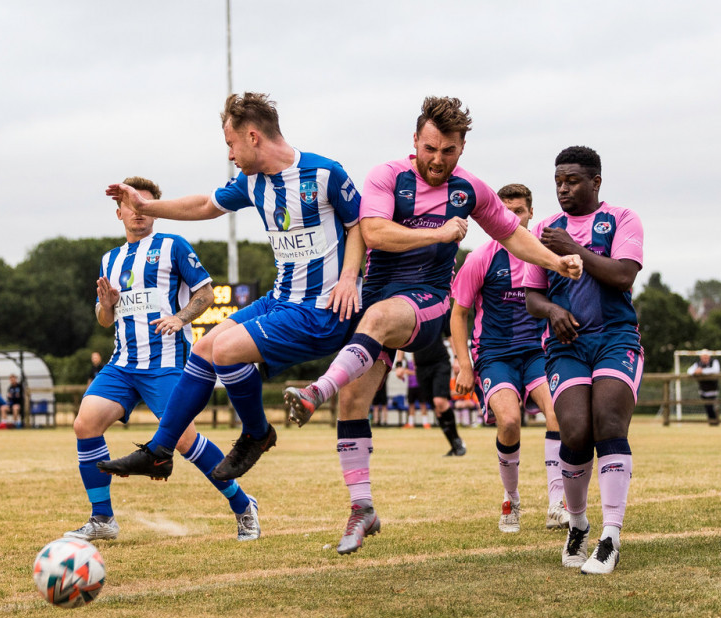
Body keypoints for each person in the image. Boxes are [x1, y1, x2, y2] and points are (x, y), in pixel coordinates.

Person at [284, 96, 582, 554]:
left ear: (461, 148)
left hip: (426, 301)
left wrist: (555, 262)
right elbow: (375, 231)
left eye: (448, 151)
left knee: (379, 320)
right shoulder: (387, 176)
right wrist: (440, 233)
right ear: (415, 143)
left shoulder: (470, 189)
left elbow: (514, 235)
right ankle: (362, 508)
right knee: (354, 400)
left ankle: (314, 390)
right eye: (429, 148)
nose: (437, 160)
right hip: (378, 304)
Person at [97, 92, 365, 486]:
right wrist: (146, 206)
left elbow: (360, 225)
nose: (229, 154)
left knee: (223, 349)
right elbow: (205, 205)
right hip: (280, 300)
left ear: (253, 136)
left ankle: (257, 434)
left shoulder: (325, 174)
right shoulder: (252, 182)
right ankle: (160, 452)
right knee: (206, 348)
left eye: (230, 144)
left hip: (321, 309)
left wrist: (348, 278)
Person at [67, 175, 262, 543]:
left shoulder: (173, 245)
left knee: (185, 441)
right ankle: (102, 518)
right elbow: (104, 318)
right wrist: (105, 307)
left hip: (167, 364)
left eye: (145, 203)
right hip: (122, 365)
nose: (137, 211)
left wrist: (180, 317)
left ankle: (243, 505)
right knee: (85, 424)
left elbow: (205, 293)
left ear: (154, 210)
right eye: (130, 204)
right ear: (119, 212)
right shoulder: (110, 259)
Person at [523, 146, 644, 575]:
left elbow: (622, 276)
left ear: (595, 182)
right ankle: (578, 525)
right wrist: (553, 312)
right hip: (567, 346)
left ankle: (610, 537)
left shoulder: (622, 219)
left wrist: (573, 247)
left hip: (615, 338)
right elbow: (532, 294)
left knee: (610, 422)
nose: (563, 188)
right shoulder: (544, 229)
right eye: (558, 181)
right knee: (574, 431)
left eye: (572, 180)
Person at [450, 183, 568, 534]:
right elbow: (459, 314)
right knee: (510, 422)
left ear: (530, 213)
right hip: (495, 355)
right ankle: (511, 498)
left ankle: (556, 503)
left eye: (518, 211)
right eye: (505, 212)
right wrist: (464, 365)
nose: (512, 218)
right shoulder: (481, 258)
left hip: (538, 353)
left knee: (558, 413)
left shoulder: (546, 256)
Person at [410, 326, 466, 456]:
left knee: (440, 401)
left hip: (439, 363)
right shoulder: (410, 309)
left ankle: (457, 440)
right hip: (421, 367)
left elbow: (451, 335)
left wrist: (457, 358)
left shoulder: (440, 308)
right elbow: (403, 339)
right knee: (437, 409)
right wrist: (400, 363)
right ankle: (454, 446)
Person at [688, 350, 720, 425]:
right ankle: (712, 421)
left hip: (713, 389)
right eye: (703, 357)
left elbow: (716, 370)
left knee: (711, 406)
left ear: (709, 357)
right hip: (703, 389)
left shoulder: (714, 362)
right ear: (701, 358)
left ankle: (714, 422)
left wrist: (702, 371)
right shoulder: (698, 364)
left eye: (706, 357)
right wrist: (695, 371)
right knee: (707, 406)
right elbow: (689, 371)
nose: (705, 359)